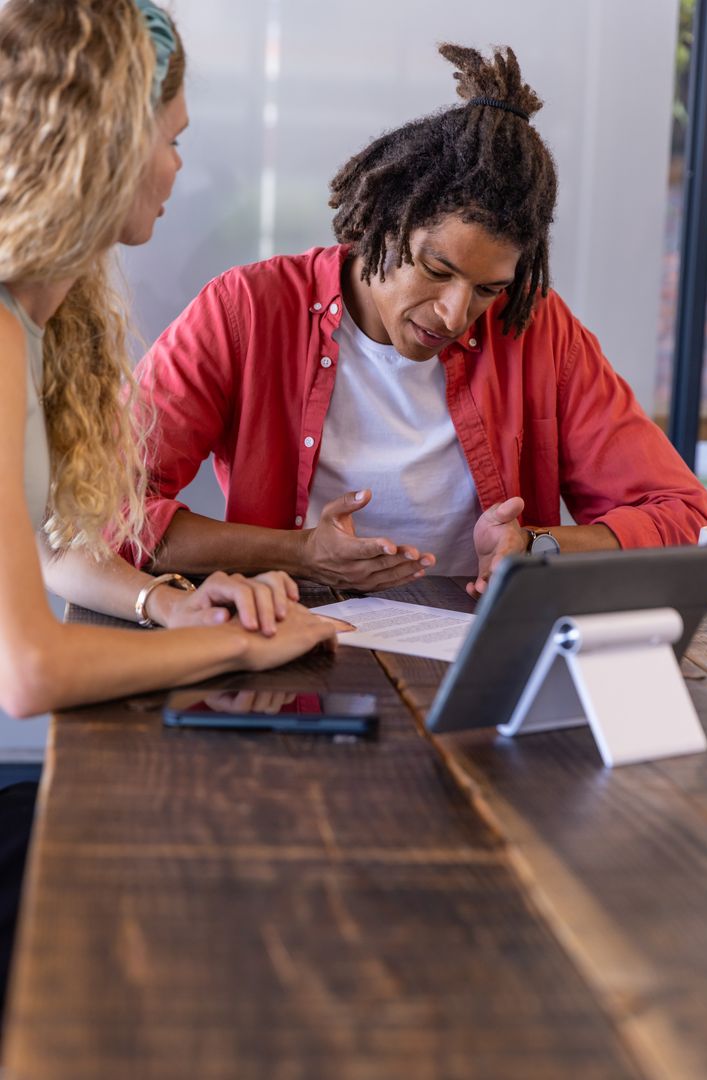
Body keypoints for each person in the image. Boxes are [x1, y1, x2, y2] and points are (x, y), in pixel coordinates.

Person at [0, 0, 336, 1015]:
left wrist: (166, 605)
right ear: (108, 140)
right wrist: (241, 652)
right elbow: (32, 669)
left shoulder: (30, 324)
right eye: (173, 138)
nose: (180, 165)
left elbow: (55, 552)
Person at [124, 42, 707, 596]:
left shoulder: (536, 331)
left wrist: (538, 546)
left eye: (488, 288)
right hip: (286, 655)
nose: (457, 314)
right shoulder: (247, 312)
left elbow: (687, 517)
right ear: (380, 224)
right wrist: (300, 553)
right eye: (437, 269)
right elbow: (101, 509)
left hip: (474, 673)